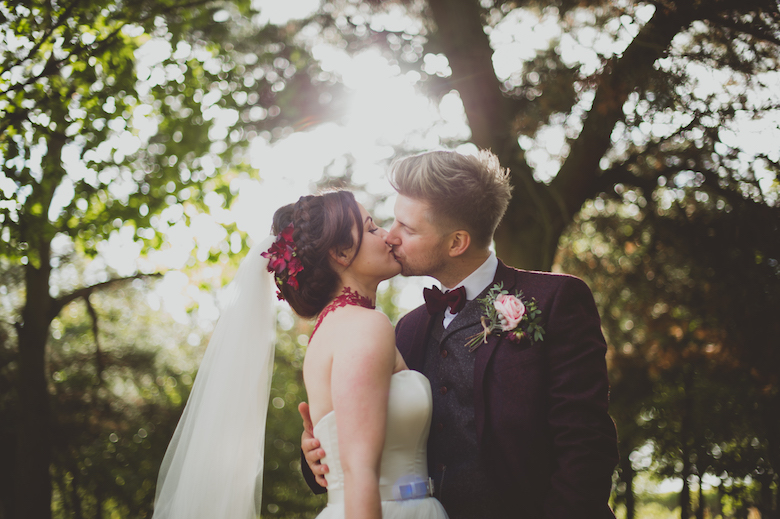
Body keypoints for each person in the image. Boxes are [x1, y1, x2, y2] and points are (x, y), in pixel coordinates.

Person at [301, 150, 619, 518]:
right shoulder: (405, 329)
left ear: (456, 243)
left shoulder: (557, 300)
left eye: (409, 228)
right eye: (392, 222)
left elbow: (586, 444)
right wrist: (317, 455)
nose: (390, 237)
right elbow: (365, 442)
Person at [153, 190, 449, 519]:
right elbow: (358, 470)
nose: (388, 236)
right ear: (340, 252)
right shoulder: (366, 326)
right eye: (371, 228)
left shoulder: (325, 333)